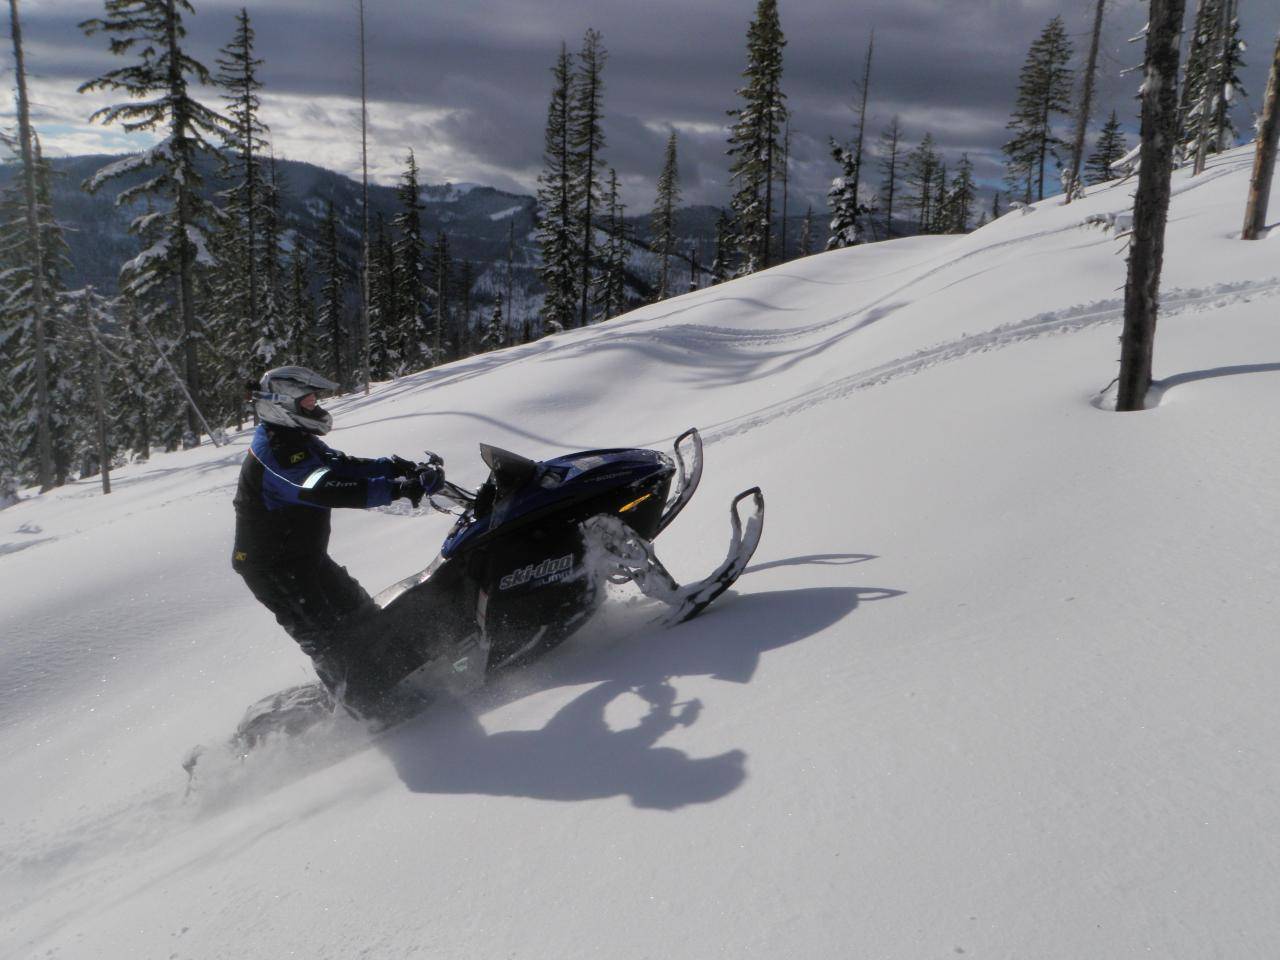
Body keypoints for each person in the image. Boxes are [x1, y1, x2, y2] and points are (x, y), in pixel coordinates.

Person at [231, 365, 444, 716]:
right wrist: (396, 489)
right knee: (331, 639)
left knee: (360, 614)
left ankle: (394, 675)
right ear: (284, 404)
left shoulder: (293, 438)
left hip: (304, 558)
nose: (316, 406)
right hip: (275, 568)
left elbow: (338, 466)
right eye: (309, 401)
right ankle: (373, 711)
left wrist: (394, 468)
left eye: (315, 400)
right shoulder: (276, 452)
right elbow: (325, 488)